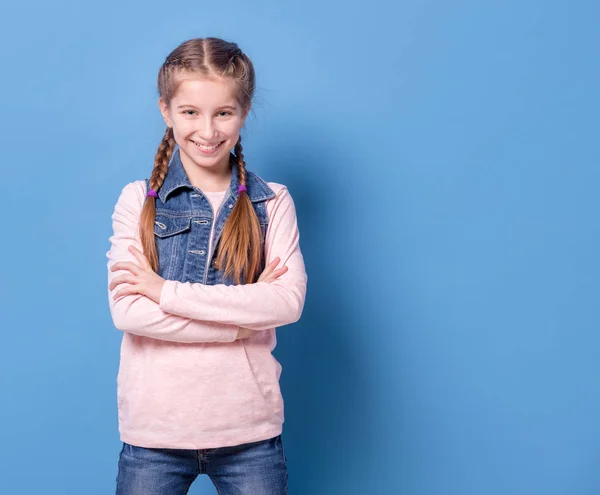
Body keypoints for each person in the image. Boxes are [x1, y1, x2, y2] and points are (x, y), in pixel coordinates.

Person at [105, 36, 308, 494]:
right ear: (166, 111)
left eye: (224, 113)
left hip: (248, 430)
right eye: (190, 112)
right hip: (154, 430)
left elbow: (287, 302)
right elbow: (128, 313)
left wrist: (164, 292)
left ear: (244, 111)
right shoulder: (137, 201)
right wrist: (238, 326)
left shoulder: (272, 203)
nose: (208, 130)